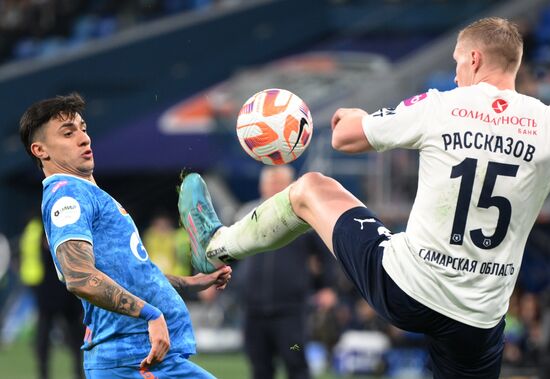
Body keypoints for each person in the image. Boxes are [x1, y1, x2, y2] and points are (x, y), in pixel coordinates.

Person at [177, 17, 550, 378]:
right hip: (480, 317)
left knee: (310, 189)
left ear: (474, 59)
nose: (455, 75)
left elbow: (345, 138)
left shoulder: (442, 105)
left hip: (408, 288)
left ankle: (215, 247)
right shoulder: (545, 126)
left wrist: (353, 115)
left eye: (456, 62)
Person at [19, 93, 232, 379]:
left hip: (142, 358)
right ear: (40, 150)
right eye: (68, 133)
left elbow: (127, 276)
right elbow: (79, 276)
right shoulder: (67, 197)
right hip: (131, 359)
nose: (84, 139)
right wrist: (150, 314)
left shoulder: (88, 194)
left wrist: (189, 282)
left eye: (83, 129)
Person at [235, 165, 335, 379]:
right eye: (270, 182)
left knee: (295, 360)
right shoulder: (247, 213)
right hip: (253, 310)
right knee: (259, 368)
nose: (273, 187)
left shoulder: (303, 218)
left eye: (279, 183)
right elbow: (231, 251)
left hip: (290, 311)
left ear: (290, 186)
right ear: (262, 185)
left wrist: (327, 287)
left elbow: (326, 252)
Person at [19, 215, 84, 379]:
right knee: (61, 333)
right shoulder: (50, 227)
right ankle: (49, 372)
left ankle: (74, 371)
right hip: (54, 286)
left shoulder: (35, 227)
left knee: (68, 334)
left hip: (56, 287)